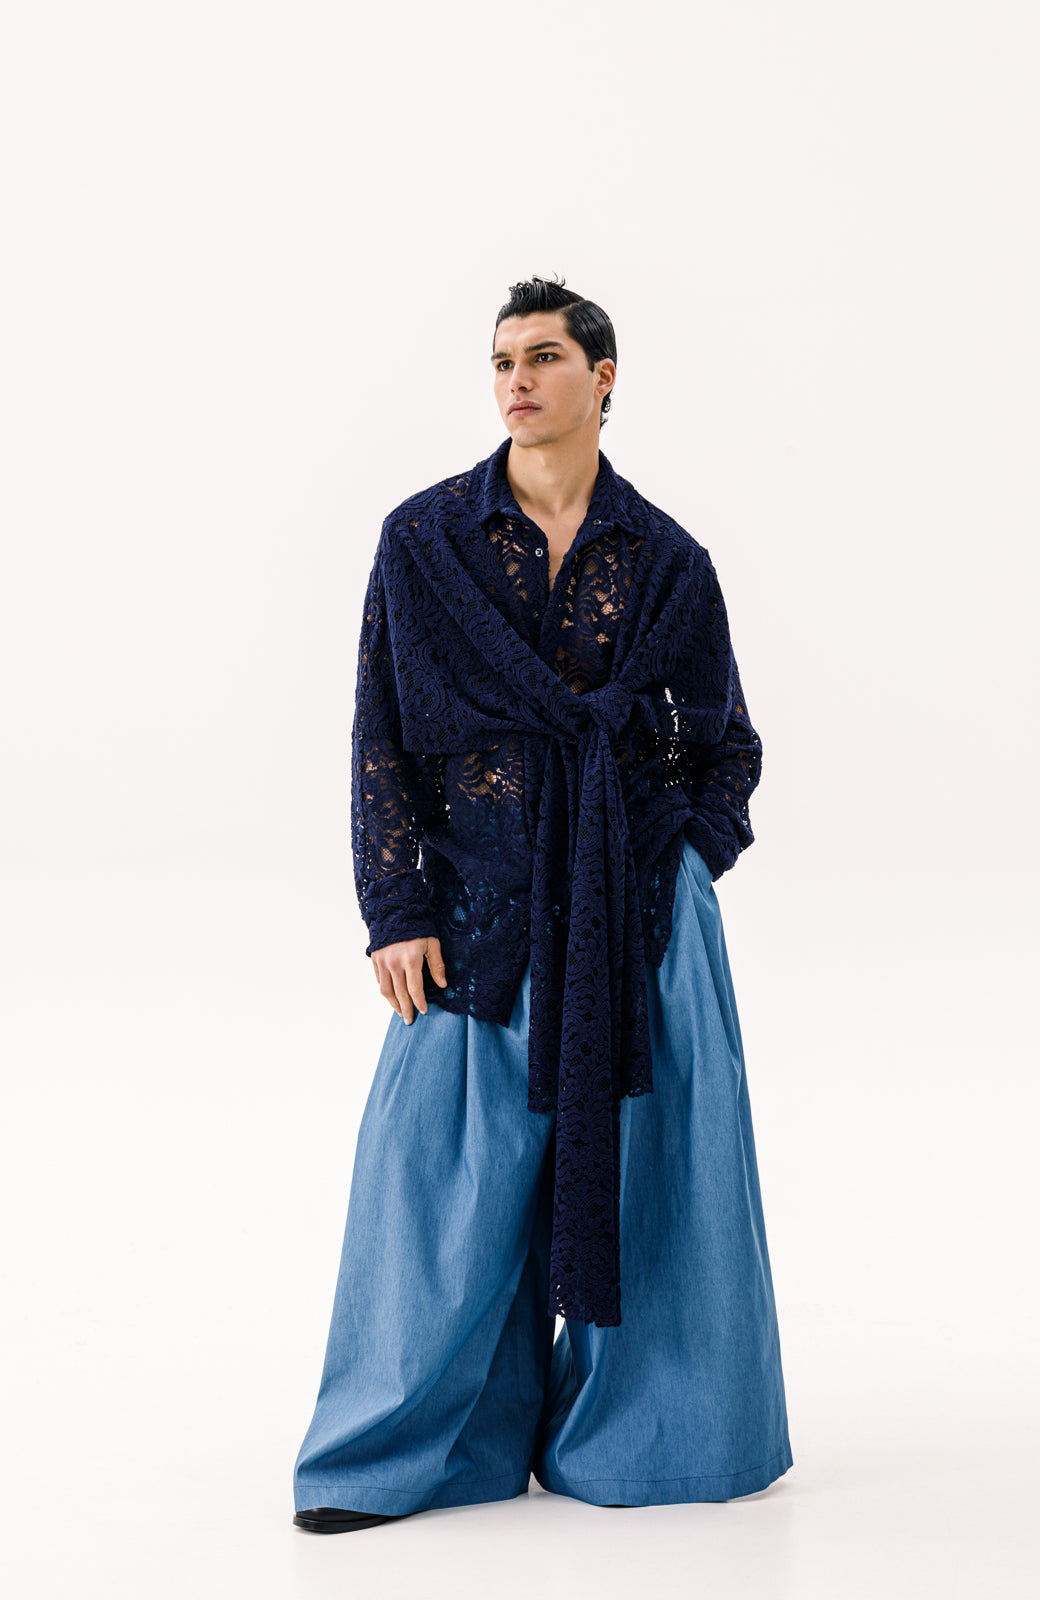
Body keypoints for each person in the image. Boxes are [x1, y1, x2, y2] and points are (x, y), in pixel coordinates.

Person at [292, 275, 793, 1534]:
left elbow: (725, 746)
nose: (515, 379)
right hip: (475, 901)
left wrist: (682, 858)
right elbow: (380, 734)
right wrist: (395, 902)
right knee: (437, 1181)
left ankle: (655, 1437)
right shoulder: (424, 543)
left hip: (640, 918)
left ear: (602, 378)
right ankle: (417, 1450)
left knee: (657, 1179)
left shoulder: (668, 562)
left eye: (544, 356)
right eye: (501, 360)